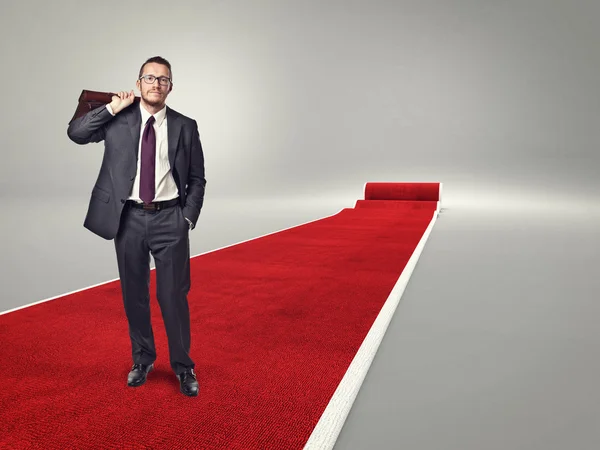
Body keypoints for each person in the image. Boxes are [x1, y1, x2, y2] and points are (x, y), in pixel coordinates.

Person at [67, 56, 206, 397]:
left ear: (170, 87)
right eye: (150, 77)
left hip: (170, 218)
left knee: (172, 296)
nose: (156, 84)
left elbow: (197, 178)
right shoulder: (119, 118)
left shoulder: (185, 125)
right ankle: (142, 360)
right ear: (139, 82)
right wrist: (111, 109)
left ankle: (183, 366)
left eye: (163, 79)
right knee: (135, 296)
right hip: (127, 218)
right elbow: (76, 133)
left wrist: (187, 216)